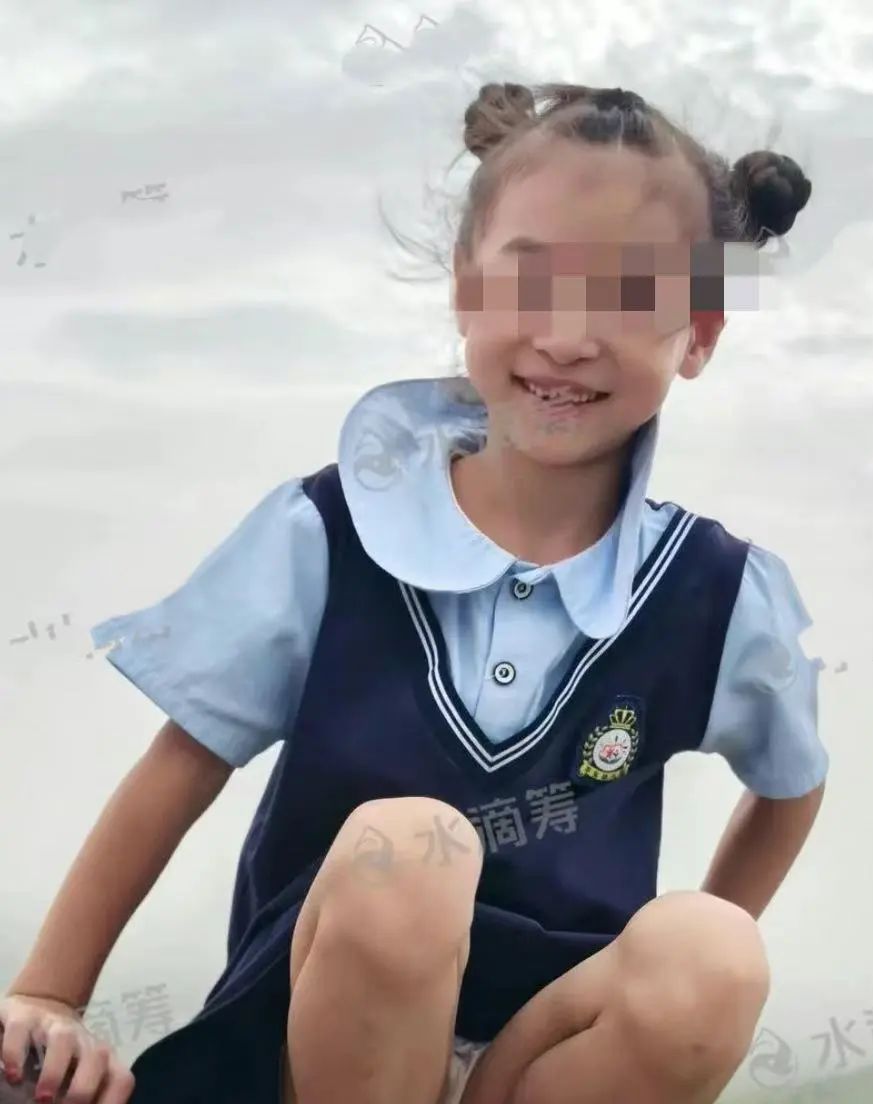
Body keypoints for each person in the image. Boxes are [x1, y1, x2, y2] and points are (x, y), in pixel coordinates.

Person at [0, 81, 823, 1104]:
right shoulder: (334, 533)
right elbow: (183, 763)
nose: (567, 337)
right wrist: (50, 995)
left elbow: (790, 785)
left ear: (699, 332)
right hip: (314, 1043)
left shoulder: (715, 592)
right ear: (466, 288)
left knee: (716, 954)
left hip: (540, 1054)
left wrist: (656, 972)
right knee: (407, 856)